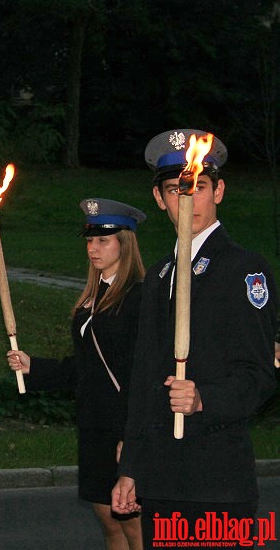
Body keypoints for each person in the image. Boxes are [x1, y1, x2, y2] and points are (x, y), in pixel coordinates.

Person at [111, 129, 276, 547]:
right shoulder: (159, 276)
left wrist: (205, 398)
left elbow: (258, 376)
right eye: (175, 190)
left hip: (216, 482)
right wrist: (131, 466)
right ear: (160, 199)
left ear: (218, 191)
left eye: (198, 187)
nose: (187, 199)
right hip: (162, 481)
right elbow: (144, 379)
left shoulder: (242, 269)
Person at [8, 198, 146, 550]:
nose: (93, 248)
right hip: (94, 425)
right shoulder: (92, 297)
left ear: (125, 242)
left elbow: (141, 373)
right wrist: (33, 367)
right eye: (89, 240)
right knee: (111, 525)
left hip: (125, 427)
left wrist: (133, 437)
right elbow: (83, 368)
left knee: (136, 528)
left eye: (103, 240)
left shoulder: (140, 298)